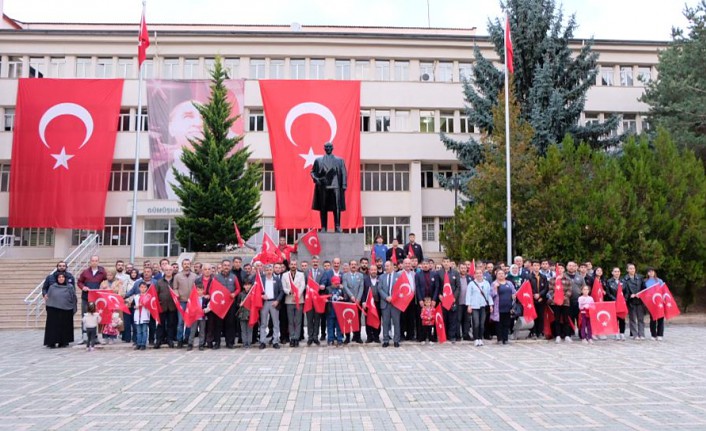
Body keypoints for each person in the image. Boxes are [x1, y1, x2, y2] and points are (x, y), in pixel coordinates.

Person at [311, 141, 347, 232]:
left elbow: (343, 173)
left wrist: (344, 184)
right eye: (326, 147)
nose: (328, 149)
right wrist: (316, 179)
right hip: (323, 186)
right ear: (324, 148)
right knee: (323, 206)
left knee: (337, 206)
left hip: (335, 186)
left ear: (332, 148)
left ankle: (337, 226)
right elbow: (312, 172)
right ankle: (323, 227)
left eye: (329, 147)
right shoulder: (318, 160)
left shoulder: (339, 160)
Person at [77, 255, 107, 345]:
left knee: (97, 317)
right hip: (86, 298)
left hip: (97, 299)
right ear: (90, 262)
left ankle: (97, 337)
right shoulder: (85, 272)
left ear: (98, 261)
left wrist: (104, 286)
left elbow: (106, 281)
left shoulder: (102, 272)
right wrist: (83, 287)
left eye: (96, 260)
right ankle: (84, 337)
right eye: (93, 260)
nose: (94, 262)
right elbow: (79, 282)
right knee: (85, 316)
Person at [44, 273, 77, 348]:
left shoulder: (70, 287)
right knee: (53, 326)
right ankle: (51, 342)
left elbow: (73, 297)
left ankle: (63, 342)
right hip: (53, 309)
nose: (61, 278)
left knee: (65, 326)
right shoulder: (52, 287)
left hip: (66, 309)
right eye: (59, 277)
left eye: (63, 277)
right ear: (57, 278)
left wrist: (73, 307)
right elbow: (49, 297)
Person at [259, 264, 284, 350]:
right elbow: (256, 291)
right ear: (264, 271)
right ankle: (262, 341)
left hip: (274, 302)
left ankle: (275, 341)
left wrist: (277, 301)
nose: (269, 272)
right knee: (263, 323)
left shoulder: (277, 280)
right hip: (264, 303)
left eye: (270, 270)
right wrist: (261, 296)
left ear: (272, 270)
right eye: (267, 270)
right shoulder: (261, 280)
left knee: (276, 323)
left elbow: (281, 291)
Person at [173, 258, 197, 348]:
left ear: (190, 265)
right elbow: (175, 287)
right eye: (185, 264)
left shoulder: (195, 276)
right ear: (182, 265)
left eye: (188, 264)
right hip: (182, 302)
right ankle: (179, 340)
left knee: (189, 322)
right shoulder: (177, 276)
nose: (186, 265)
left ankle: (187, 338)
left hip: (191, 302)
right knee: (181, 322)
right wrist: (177, 294)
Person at [214, 259, 238, 349]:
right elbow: (213, 289)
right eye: (225, 265)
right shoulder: (216, 277)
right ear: (222, 266)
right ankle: (217, 343)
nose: (226, 267)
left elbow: (238, 288)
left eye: (228, 265)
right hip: (219, 304)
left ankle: (229, 342)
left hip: (230, 303)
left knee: (230, 323)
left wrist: (234, 294)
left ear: (230, 266)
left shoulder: (234, 277)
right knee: (218, 323)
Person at [466, 266, 492, 347]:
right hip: (474, 306)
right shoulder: (471, 283)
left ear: (482, 274)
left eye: (480, 273)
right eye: (477, 273)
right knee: (476, 323)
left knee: (482, 323)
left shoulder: (486, 283)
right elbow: (468, 295)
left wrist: (491, 305)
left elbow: (489, 295)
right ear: (474, 274)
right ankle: (476, 338)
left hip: (483, 305)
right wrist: (469, 305)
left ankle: (480, 338)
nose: (478, 274)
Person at [282, 259, 305, 347]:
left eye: (295, 264)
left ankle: (297, 338)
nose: (293, 266)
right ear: (289, 265)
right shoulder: (284, 275)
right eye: (292, 264)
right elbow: (284, 287)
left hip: (299, 300)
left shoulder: (301, 274)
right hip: (289, 300)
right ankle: (292, 338)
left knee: (298, 321)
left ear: (296, 265)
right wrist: (290, 292)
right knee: (291, 321)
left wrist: (297, 297)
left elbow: (302, 286)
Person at [437, 257, 461, 343]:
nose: (446, 263)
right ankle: (444, 335)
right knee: (444, 318)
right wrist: (439, 295)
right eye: (444, 262)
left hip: (453, 300)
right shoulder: (438, 273)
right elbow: (437, 286)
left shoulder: (455, 273)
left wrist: (454, 297)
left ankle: (452, 336)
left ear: (450, 263)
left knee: (453, 318)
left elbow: (458, 287)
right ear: (442, 263)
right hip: (442, 299)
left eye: (448, 262)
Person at [378, 261, 401, 348]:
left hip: (395, 303)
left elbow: (400, 289)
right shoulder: (381, 277)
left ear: (392, 266)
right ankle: (386, 340)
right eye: (385, 266)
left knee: (396, 322)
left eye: (388, 266)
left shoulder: (398, 276)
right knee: (386, 323)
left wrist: (393, 298)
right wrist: (386, 297)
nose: (386, 267)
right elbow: (379, 288)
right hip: (385, 303)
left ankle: (396, 340)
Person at [548, 264, 573, 343]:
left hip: (565, 302)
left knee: (566, 319)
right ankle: (558, 335)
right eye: (558, 268)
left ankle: (567, 335)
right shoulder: (552, 279)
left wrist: (563, 298)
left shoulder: (567, 279)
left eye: (562, 268)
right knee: (557, 319)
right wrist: (556, 298)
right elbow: (550, 291)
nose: (560, 269)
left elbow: (569, 290)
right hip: (555, 303)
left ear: (564, 269)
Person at [342, 260, 365, 344]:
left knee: (357, 319)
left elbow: (361, 288)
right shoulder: (345, 275)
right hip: (348, 300)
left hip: (357, 302)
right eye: (352, 264)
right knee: (347, 319)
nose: (353, 266)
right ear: (349, 266)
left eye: (355, 264)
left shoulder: (360, 275)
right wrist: (351, 296)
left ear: (357, 265)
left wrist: (358, 299)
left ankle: (357, 336)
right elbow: (345, 286)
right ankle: (347, 337)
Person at [155, 266, 177, 349]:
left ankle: (170, 339)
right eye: (166, 270)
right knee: (161, 324)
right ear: (163, 271)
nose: (168, 271)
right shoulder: (159, 282)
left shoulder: (175, 281)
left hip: (172, 306)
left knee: (171, 324)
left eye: (170, 270)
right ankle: (159, 340)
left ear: (172, 271)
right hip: (162, 306)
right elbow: (156, 294)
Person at [622, 263, 646, 340]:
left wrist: (641, 294)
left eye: (633, 268)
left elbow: (644, 288)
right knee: (632, 318)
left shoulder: (640, 278)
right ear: (627, 270)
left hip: (640, 300)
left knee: (641, 318)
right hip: (631, 301)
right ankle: (635, 334)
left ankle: (641, 334)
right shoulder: (624, 279)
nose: (632, 270)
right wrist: (629, 296)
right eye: (630, 268)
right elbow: (623, 291)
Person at [493, 269, 516, 345]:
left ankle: (505, 339)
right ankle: (499, 339)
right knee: (499, 324)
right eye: (499, 273)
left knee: (506, 323)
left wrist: (514, 295)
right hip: (498, 307)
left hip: (508, 307)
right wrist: (495, 289)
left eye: (502, 273)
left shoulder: (509, 283)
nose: (501, 275)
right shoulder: (494, 283)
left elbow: (514, 292)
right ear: (496, 275)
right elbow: (492, 295)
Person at [527, 261, 549, 339]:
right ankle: (533, 332)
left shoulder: (543, 277)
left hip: (541, 299)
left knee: (541, 316)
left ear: (540, 267)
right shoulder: (529, 277)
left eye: (537, 265)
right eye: (534, 265)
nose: (536, 267)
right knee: (533, 316)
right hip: (532, 300)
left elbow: (546, 288)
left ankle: (540, 332)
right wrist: (534, 295)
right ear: (532, 267)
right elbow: (528, 288)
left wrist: (540, 295)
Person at [605, 267, 627, 341]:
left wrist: (624, 299)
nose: (617, 273)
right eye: (615, 271)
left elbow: (627, 292)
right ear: (612, 273)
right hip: (614, 303)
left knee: (622, 318)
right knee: (615, 319)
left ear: (620, 273)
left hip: (622, 303)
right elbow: (608, 293)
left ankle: (622, 333)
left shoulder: (623, 281)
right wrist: (615, 299)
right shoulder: (609, 281)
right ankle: (616, 333)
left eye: (618, 271)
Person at [187, 284, 210, 351]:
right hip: (195, 317)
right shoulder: (193, 298)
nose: (199, 292)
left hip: (202, 317)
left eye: (201, 290)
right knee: (193, 331)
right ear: (196, 290)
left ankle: (201, 344)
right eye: (198, 290)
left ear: (203, 290)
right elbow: (189, 306)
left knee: (202, 331)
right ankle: (190, 344)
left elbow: (209, 306)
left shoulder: (205, 299)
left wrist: (205, 310)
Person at [644, 268, 665, 341]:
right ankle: (653, 334)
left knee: (660, 318)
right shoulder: (645, 282)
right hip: (651, 302)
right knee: (653, 319)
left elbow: (663, 290)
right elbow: (644, 292)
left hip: (659, 302)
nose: (651, 273)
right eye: (649, 272)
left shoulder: (659, 281)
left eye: (652, 271)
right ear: (648, 273)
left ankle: (660, 334)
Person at [363, 264, 381, 343]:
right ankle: (369, 337)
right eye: (372, 270)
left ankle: (376, 336)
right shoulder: (365, 279)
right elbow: (363, 291)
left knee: (378, 319)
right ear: (369, 271)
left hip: (378, 303)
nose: (373, 271)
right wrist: (363, 301)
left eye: (375, 270)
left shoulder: (380, 278)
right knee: (368, 320)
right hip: (368, 304)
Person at [326, 275, 346, 347]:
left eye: (338, 283)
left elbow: (346, 298)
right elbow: (324, 297)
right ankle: (330, 339)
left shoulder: (341, 289)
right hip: (330, 310)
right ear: (332, 283)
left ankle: (339, 339)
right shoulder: (327, 289)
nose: (337, 285)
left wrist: (342, 298)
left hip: (339, 311)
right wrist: (327, 300)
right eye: (335, 283)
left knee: (339, 326)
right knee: (330, 326)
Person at [133, 282, 151, 351]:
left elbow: (150, 305)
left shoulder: (148, 296)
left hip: (144, 315)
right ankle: (138, 343)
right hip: (137, 315)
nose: (143, 289)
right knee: (138, 331)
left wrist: (144, 305)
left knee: (144, 331)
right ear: (139, 288)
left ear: (146, 288)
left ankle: (143, 344)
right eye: (141, 287)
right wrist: (135, 306)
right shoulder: (136, 297)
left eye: (144, 287)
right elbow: (132, 305)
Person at [235, 279, 253, 349]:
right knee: (243, 329)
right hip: (242, 314)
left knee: (249, 329)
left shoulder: (252, 293)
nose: (247, 286)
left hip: (250, 314)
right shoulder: (241, 294)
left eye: (249, 285)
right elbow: (237, 304)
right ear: (243, 286)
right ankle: (244, 343)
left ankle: (249, 342)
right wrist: (240, 304)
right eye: (246, 285)